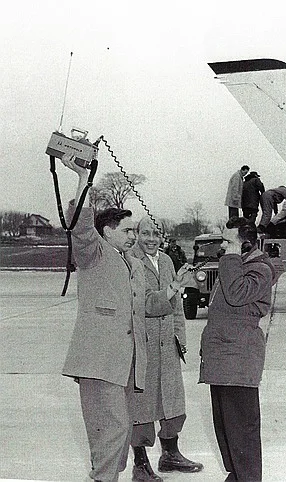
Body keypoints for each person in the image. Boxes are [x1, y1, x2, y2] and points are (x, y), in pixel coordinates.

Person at [59, 153, 148, 482]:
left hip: (121, 365)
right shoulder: (93, 253)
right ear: (106, 231)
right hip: (99, 362)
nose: (133, 236)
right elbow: (81, 228)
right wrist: (83, 179)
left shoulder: (125, 261)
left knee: (118, 434)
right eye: (127, 230)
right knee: (112, 431)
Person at [199, 217, 279, 481]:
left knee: (241, 431)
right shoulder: (239, 264)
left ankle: (247, 478)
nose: (223, 247)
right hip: (223, 359)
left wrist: (232, 256)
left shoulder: (260, 269)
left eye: (228, 241)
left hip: (238, 360)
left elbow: (235, 293)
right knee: (226, 430)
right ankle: (237, 476)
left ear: (244, 245)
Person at [129, 218, 203, 481]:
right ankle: (140, 464)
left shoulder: (167, 261)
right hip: (144, 345)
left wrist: (180, 338)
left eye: (156, 234)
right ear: (137, 234)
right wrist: (173, 288)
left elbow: (176, 308)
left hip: (167, 344)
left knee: (172, 401)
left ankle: (170, 454)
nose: (151, 239)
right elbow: (147, 304)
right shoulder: (130, 260)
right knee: (142, 405)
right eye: (145, 233)